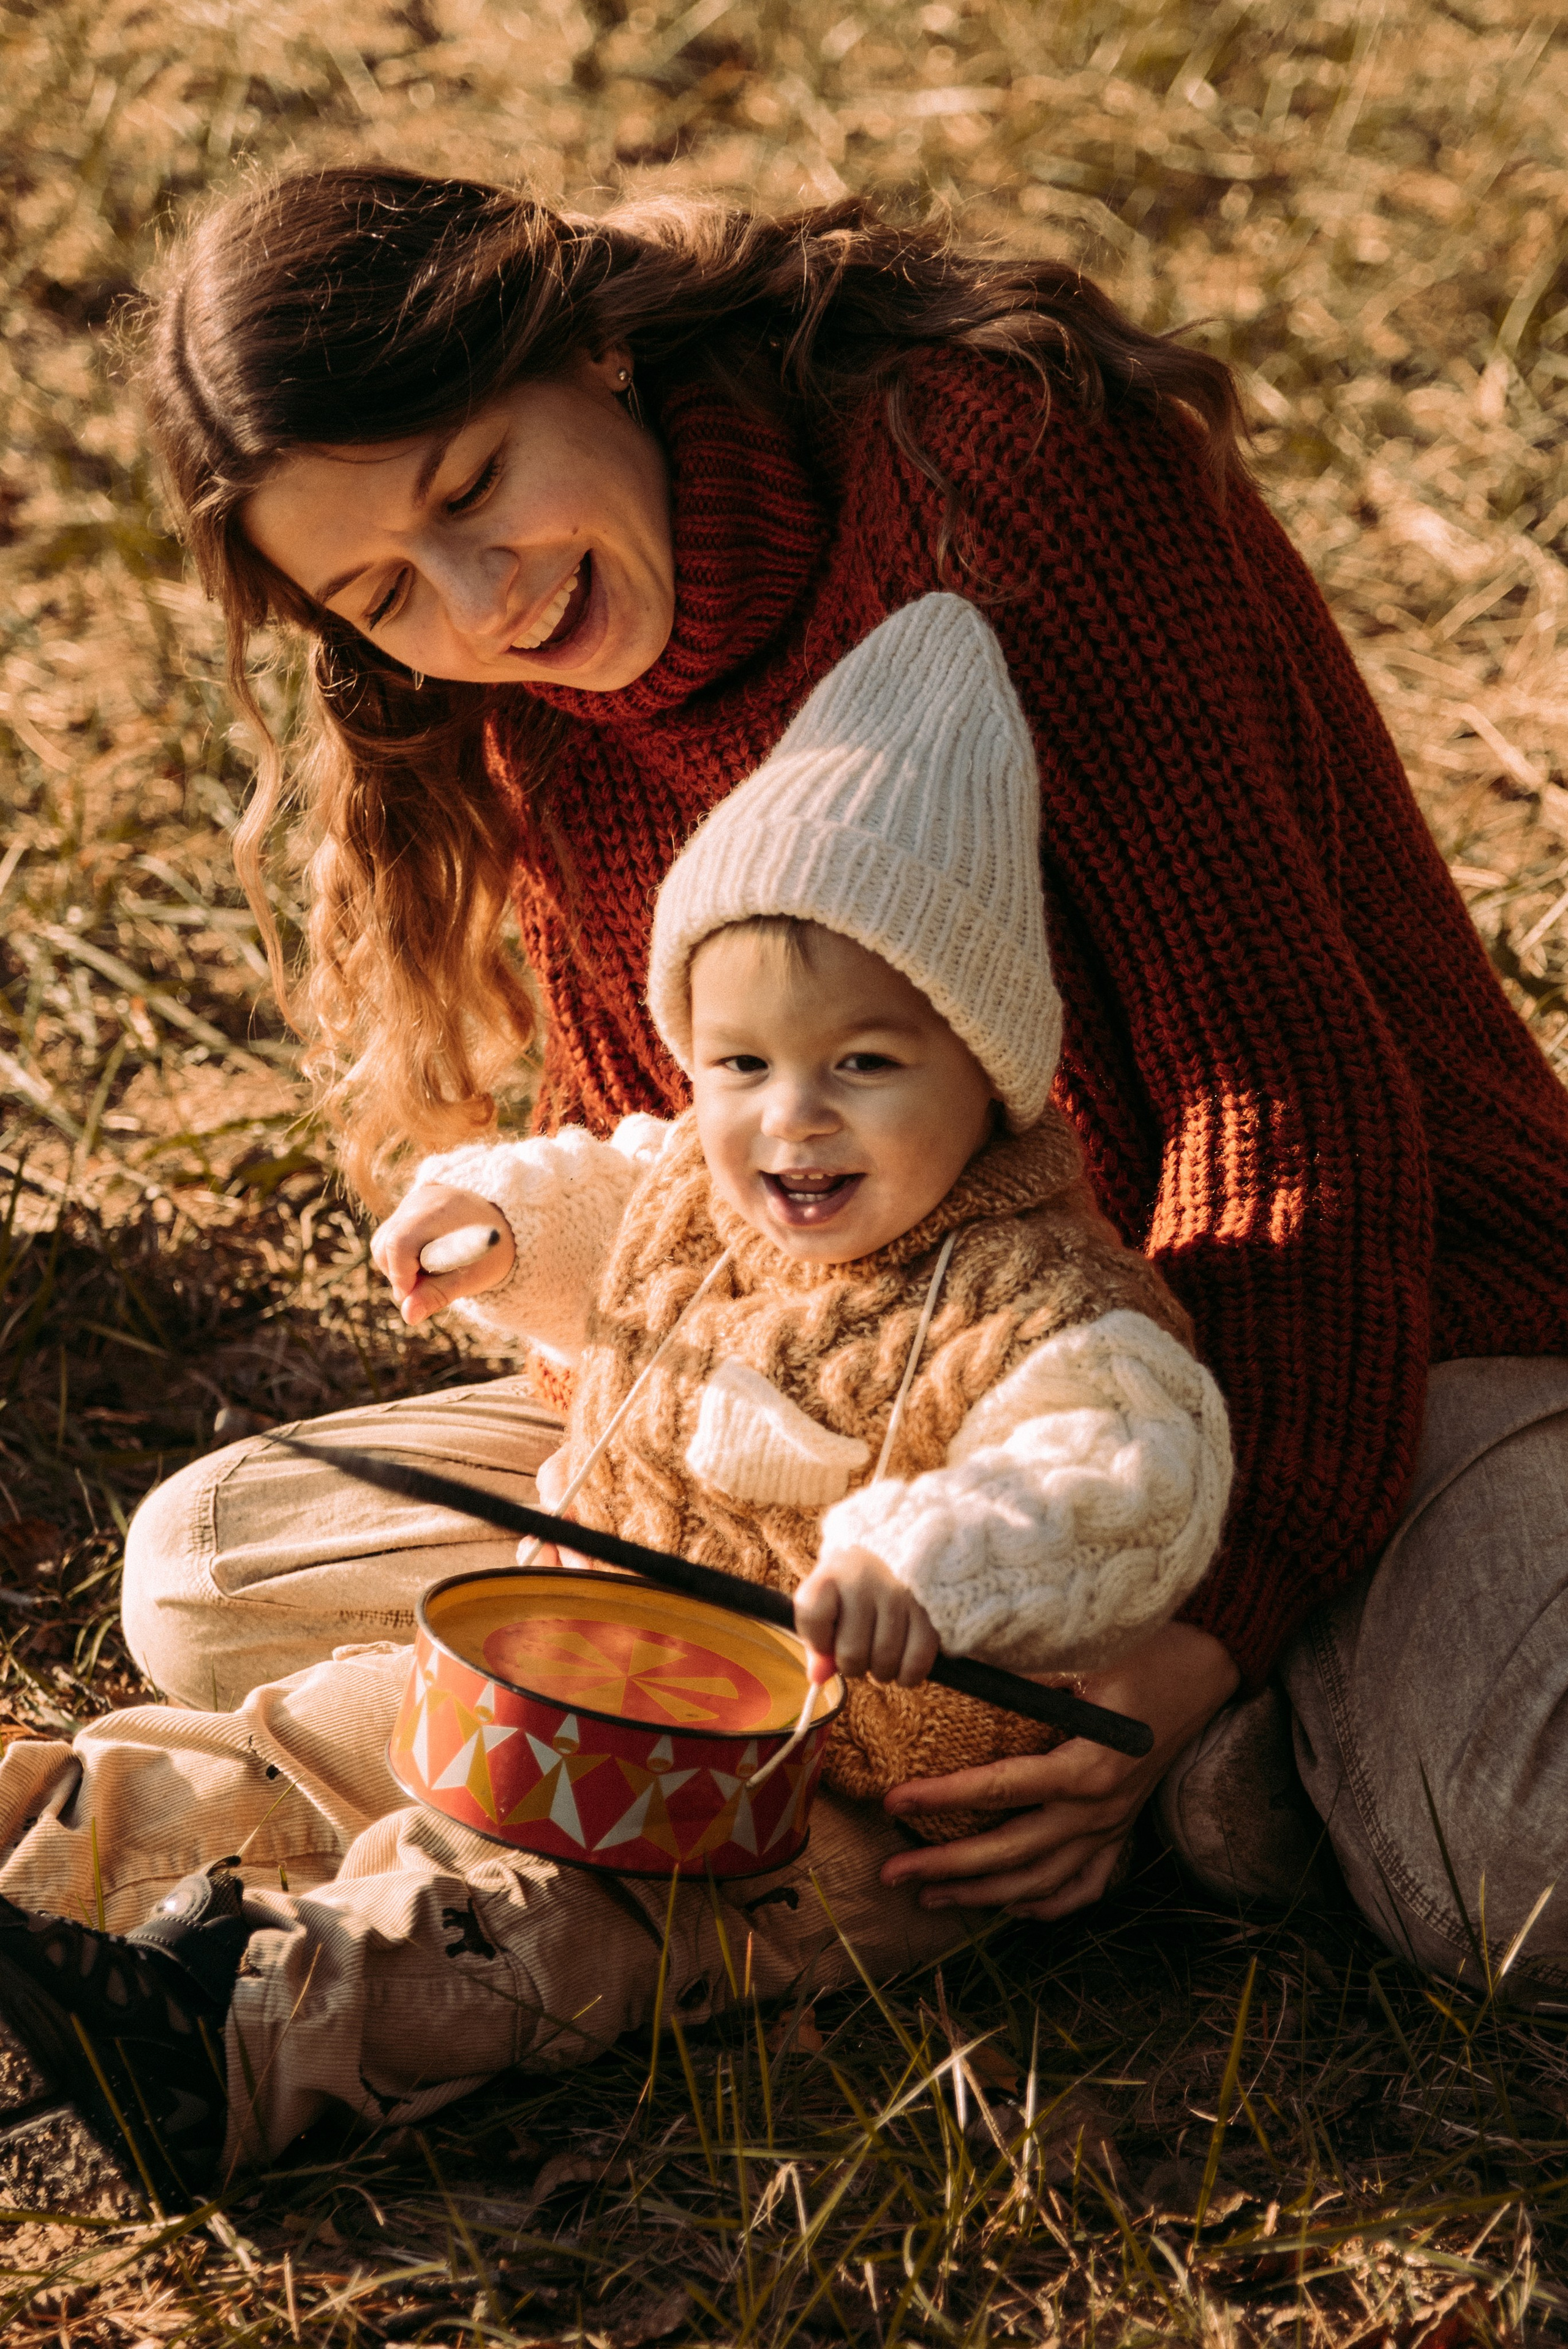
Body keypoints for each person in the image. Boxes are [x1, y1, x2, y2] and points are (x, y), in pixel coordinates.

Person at [51, 162, 1568, 1978]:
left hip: (1372, 1328)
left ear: (594, 348)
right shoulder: (536, 703)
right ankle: (1026, 1743)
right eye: (383, 589)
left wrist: (1190, 1642)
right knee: (209, 1559)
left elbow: (1288, 1108)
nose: (479, 598)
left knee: (1512, 1865)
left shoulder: (989, 473)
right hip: (898, 1429)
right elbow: (712, 1203)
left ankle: (1173, 1739)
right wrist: (580, 1314)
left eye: (473, 486)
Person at [0, 601, 1231, 2196]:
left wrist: (931, 1554)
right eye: (739, 1065)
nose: (788, 1118)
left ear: (985, 1068)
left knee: (536, 1914)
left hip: (831, 1798)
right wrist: (500, 1217)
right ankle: (50, 1832)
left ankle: (223, 2040)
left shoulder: (1026, 1293)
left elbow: (1125, 1463)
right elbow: (619, 1184)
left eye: (863, 1062)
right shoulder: (703, 1191)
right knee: (336, 1735)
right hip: (587, 1681)